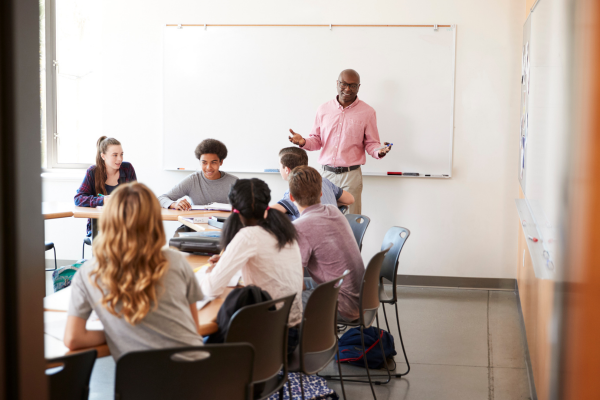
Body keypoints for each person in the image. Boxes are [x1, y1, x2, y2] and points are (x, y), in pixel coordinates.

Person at [64, 183, 204, 360]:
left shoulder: (88, 273)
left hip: (140, 384)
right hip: (198, 376)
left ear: (108, 220)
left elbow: (73, 338)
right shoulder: (176, 261)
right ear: (154, 221)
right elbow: (194, 328)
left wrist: (117, 332)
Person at [200, 178, 303, 354]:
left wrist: (211, 272)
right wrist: (231, 262)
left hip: (267, 341)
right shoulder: (284, 230)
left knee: (195, 341)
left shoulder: (248, 235)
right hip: (291, 334)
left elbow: (211, 290)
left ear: (233, 208)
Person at [288, 69, 392, 214]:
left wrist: (379, 151)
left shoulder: (368, 112)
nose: (348, 89)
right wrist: (303, 141)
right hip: (326, 176)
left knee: (350, 221)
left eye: (353, 85)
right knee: (323, 217)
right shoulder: (323, 109)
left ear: (358, 87)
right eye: (344, 84)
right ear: (337, 83)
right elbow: (317, 141)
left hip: (351, 176)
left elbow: (371, 143)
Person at [288, 166, 364, 322]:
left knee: (280, 302)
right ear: (321, 193)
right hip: (362, 298)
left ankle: (304, 345)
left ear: (291, 197)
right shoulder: (333, 210)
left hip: (343, 305)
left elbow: (297, 284)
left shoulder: (299, 227)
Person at [74, 136, 137, 236]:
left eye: (121, 154)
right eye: (115, 155)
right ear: (103, 156)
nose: (119, 159)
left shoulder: (128, 169)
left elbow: (136, 197)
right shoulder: (92, 172)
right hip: (100, 226)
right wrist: (103, 200)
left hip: (125, 224)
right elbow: (78, 199)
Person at [270, 147, 354, 221]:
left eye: (280, 165)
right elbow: (350, 199)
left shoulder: (294, 191)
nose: (279, 169)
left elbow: (268, 213)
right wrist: (327, 204)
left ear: (287, 170)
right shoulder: (323, 181)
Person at [158, 138, 238, 210]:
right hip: (194, 224)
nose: (208, 167)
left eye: (213, 162)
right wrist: (174, 204)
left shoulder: (234, 182)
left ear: (221, 162)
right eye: (204, 162)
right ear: (199, 162)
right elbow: (161, 198)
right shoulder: (192, 180)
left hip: (223, 225)